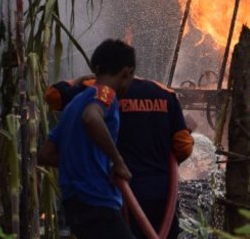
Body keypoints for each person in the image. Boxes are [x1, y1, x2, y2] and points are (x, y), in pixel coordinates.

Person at [45, 68, 194, 238]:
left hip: (112, 196)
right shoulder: (164, 93)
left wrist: (81, 79)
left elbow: (53, 96)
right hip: (161, 195)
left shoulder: (94, 90)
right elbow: (183, 147)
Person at [38, 39, 136, 239]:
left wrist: (85, 159)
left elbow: (45, 154)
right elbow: (91, 117)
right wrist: (118, 162)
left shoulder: (74, 104)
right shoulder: (106, 93)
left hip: (75, 204)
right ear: (126, 73)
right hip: (97, 199)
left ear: (97, 69)